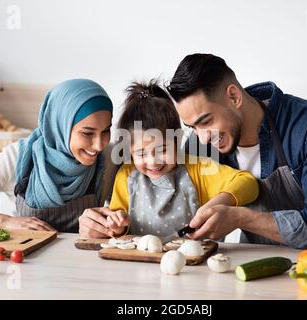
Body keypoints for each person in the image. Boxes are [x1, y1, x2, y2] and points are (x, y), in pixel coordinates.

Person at [166, 53, 307, 249]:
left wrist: (240, 218)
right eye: (192, 127)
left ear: (234, 97)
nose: (202, 138)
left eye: (206, 122)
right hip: (250, 267)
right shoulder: (199, 145)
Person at [0, 79, 118, 233]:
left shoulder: (109, 157)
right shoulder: (18, 157)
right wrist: (3, 221)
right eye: (87, 133)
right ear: (60, 126)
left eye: (106, 131)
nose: (99, 144)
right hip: (21, 265)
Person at [100, 80, 258, 238]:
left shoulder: (198, 169)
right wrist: (117, 225)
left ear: (178, 140)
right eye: (141, 154)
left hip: (191, 260)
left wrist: (220, 202)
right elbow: (116, 228)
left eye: (162, 150)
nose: (153, 161)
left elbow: (248, 182)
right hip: (141, 261)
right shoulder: (126, 176)